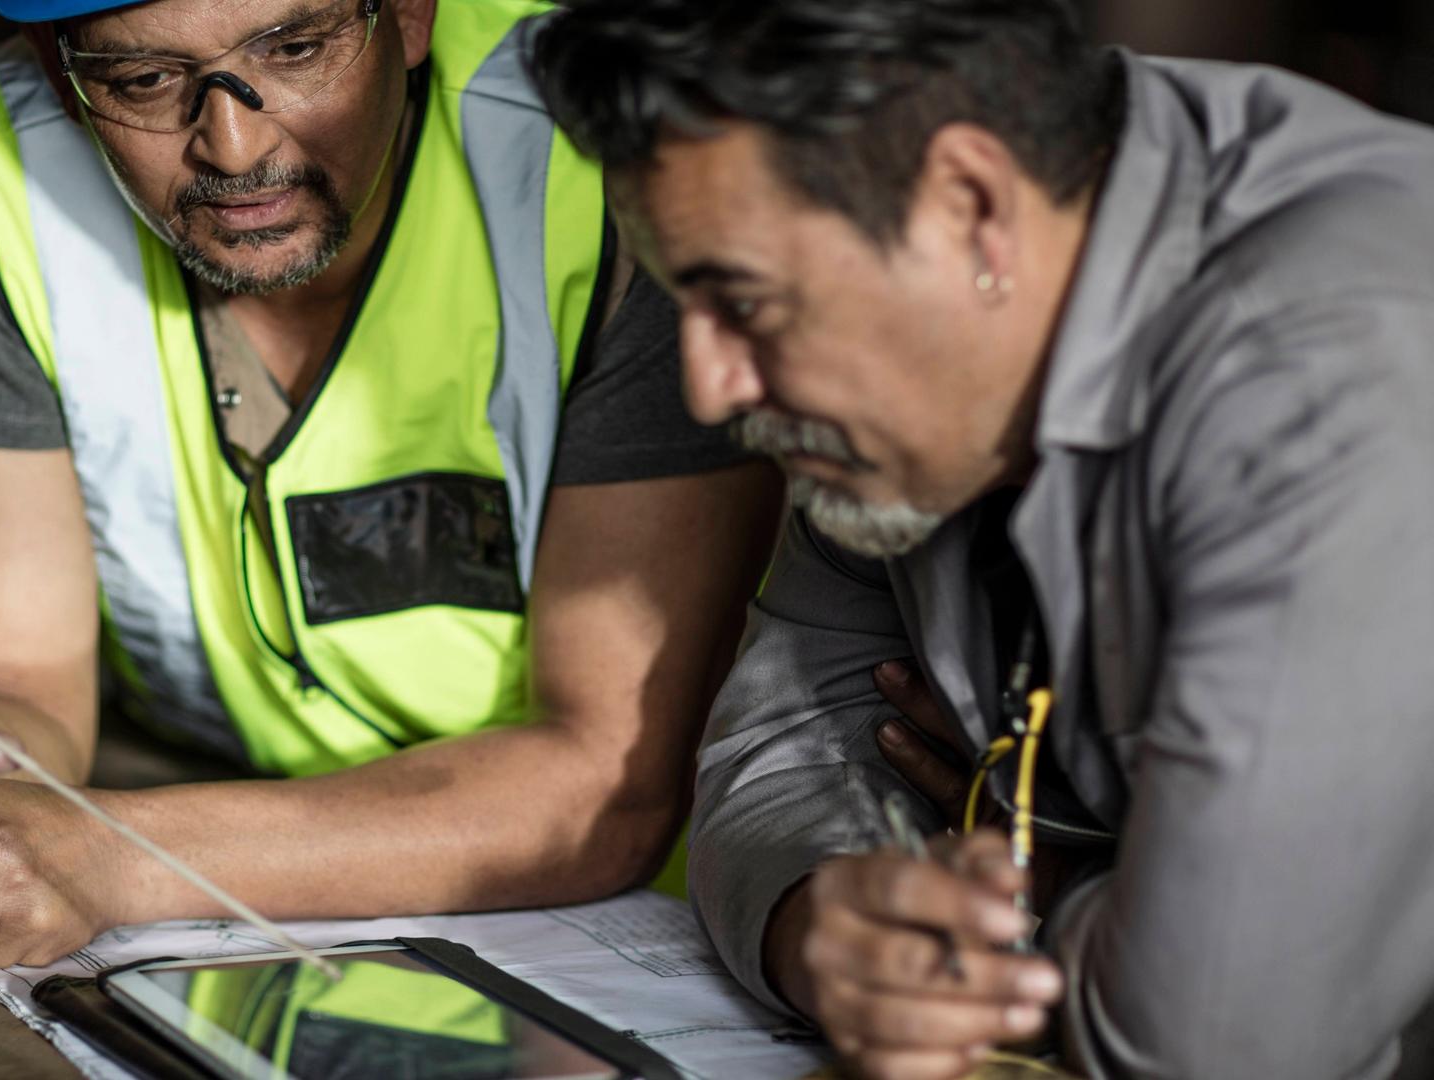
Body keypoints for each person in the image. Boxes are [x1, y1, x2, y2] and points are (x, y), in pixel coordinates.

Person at [0, 0, 780, 972]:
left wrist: (113, 854)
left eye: (295, 48)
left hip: (639, 946)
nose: (233, 145)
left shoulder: (609, 155)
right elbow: (21, 686)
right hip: (229, 913)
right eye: (144, 79)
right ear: (54, 66)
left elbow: (609, 783)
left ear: (413, 13)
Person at [532, 1, 1434, 1077]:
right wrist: (831, 928)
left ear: (970, 205)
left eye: (747, 303)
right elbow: (773, 755)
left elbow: (1217, 1044)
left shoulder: (1334, 372)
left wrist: (1037, 870)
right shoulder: (912, 395)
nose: (711, 385)